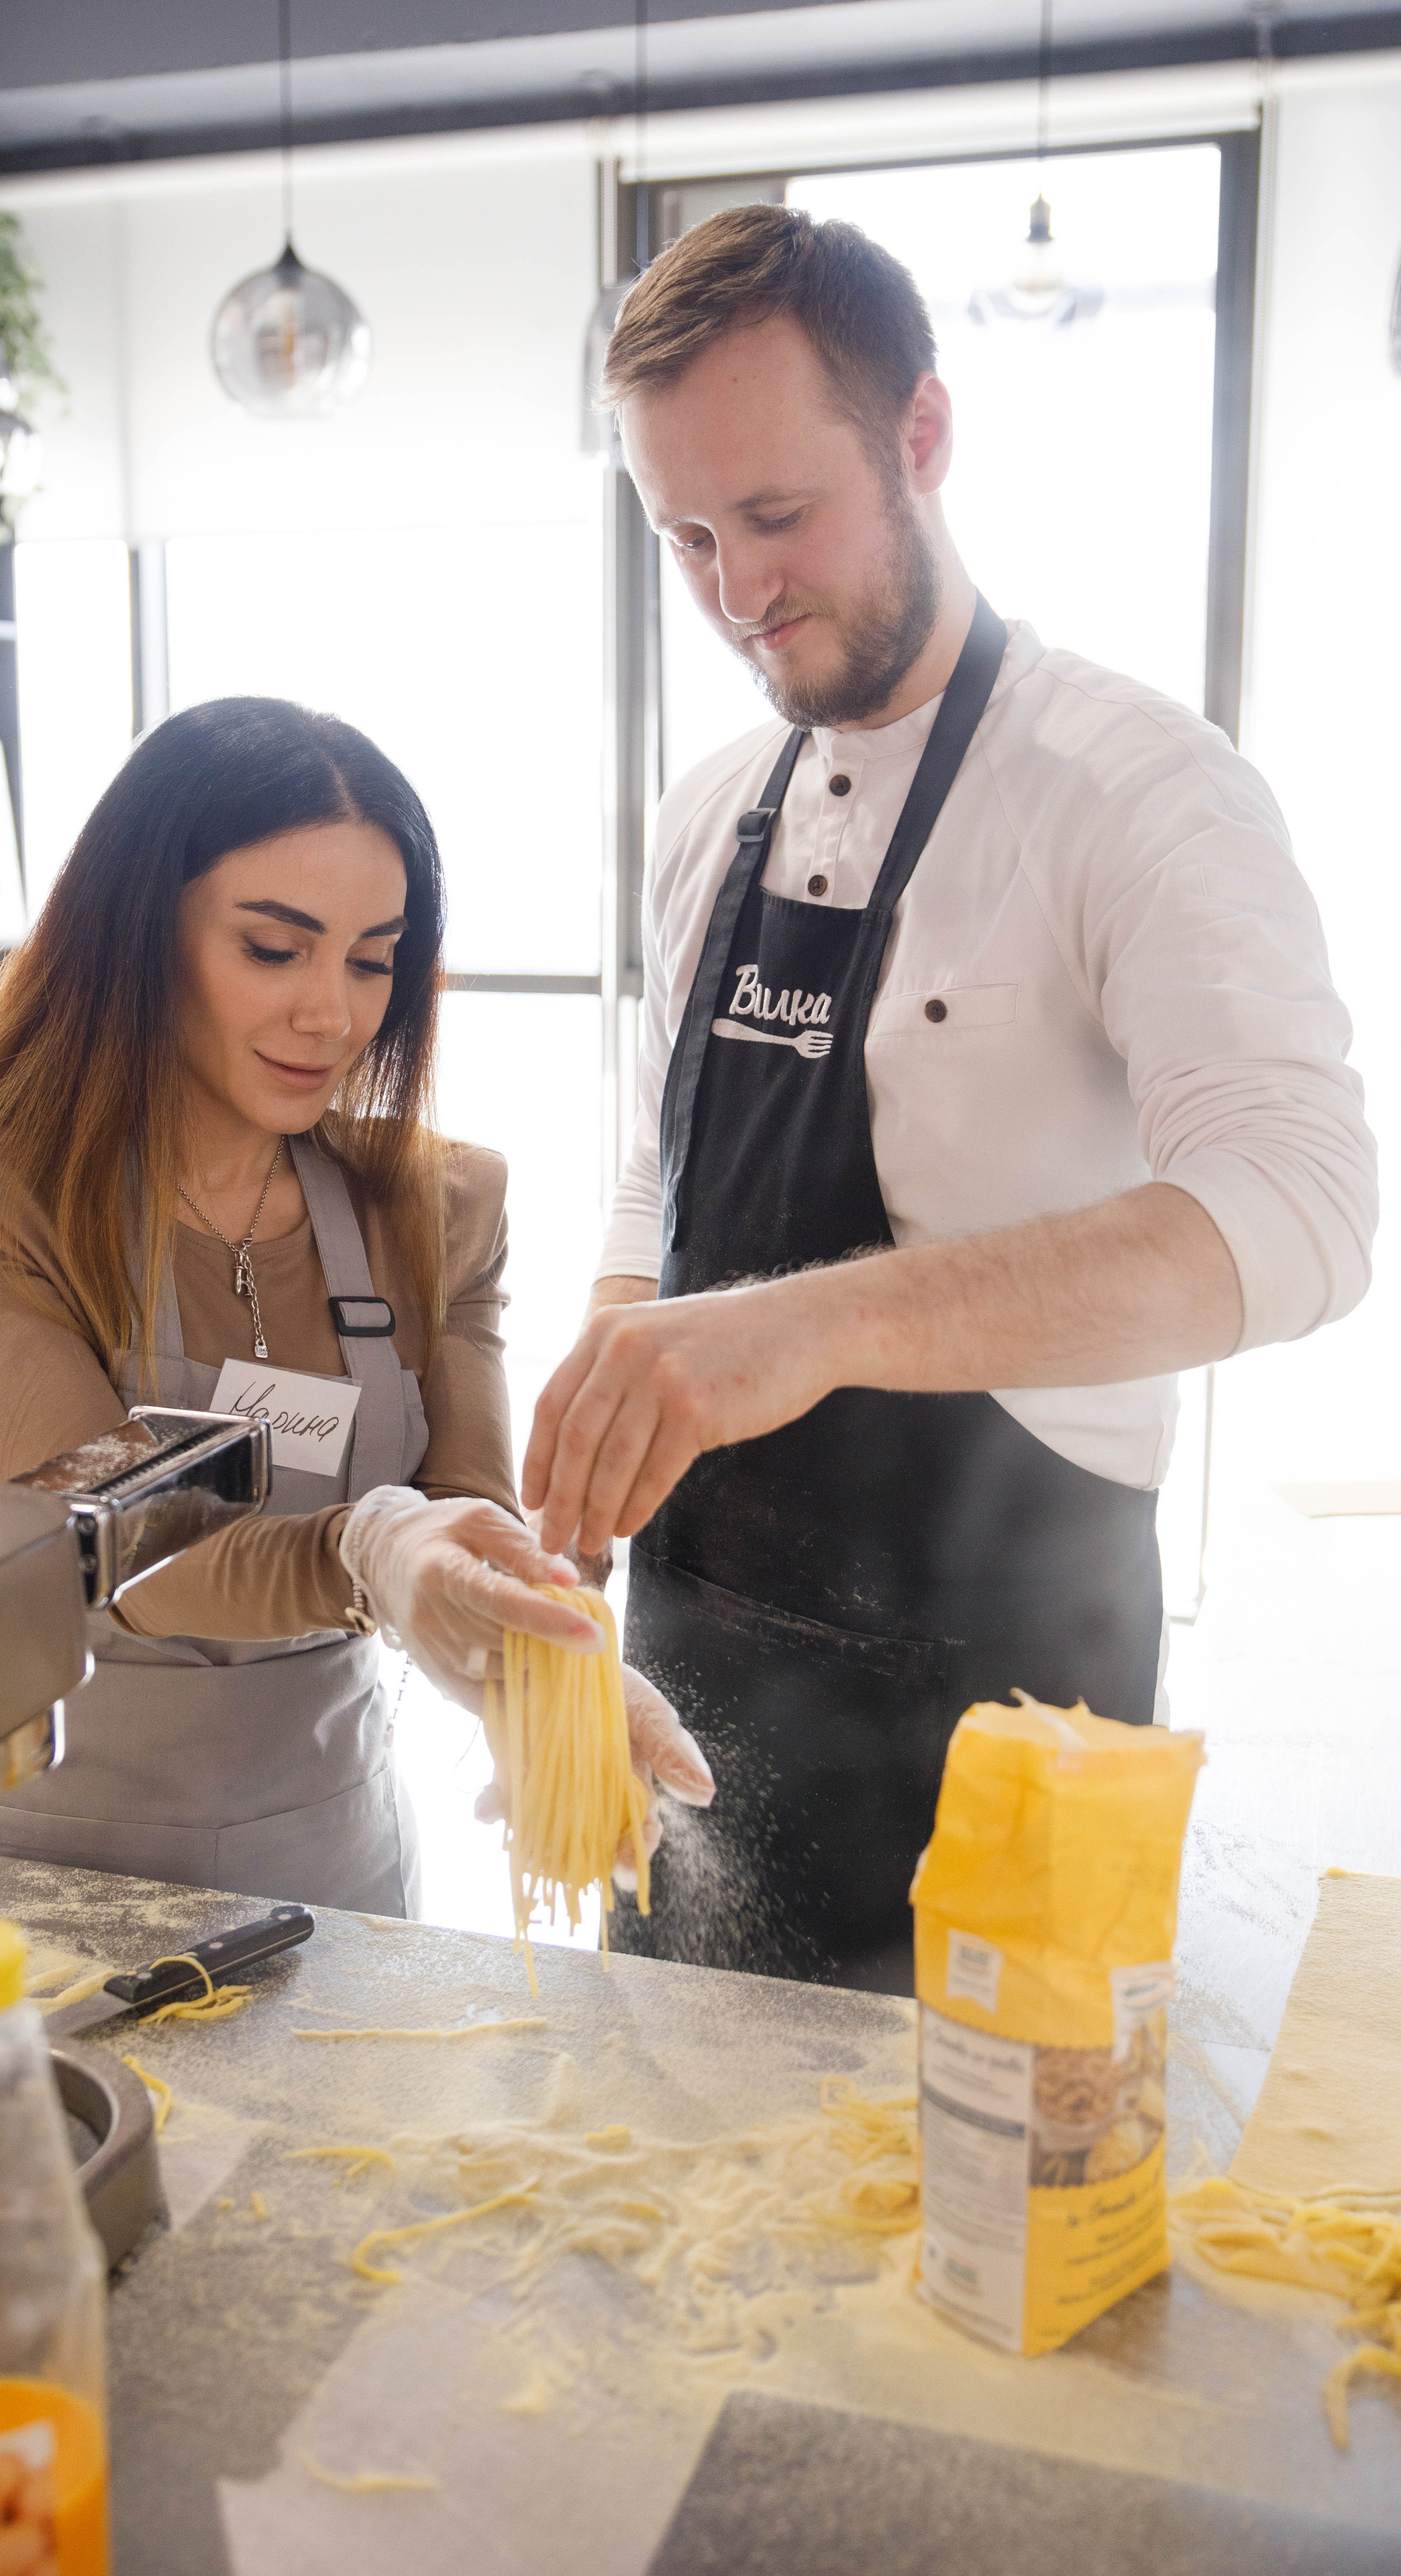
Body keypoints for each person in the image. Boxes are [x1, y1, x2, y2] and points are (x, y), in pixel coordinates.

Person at [523, 205, 1378, 1992]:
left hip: (1006, 1719)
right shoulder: (708, 813)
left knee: (990, 2243)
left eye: (777, 517)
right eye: (685, 538)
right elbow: (655, 1180)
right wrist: (617, 1384)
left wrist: (806, 1328)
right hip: (702, 1699)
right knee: (666, 2197)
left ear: (921, 437)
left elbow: (1305, 1213)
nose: (740, 592)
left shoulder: (1134, 791)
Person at [0, 696, 711, 1915]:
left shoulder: (437, 1204)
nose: (335, 1014)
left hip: (335, 1864)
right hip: (49, 1870)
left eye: (374, 960)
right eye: (275, 948)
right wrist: (373, 1548)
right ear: (138, 933)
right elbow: (127, 1545)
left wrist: (544, 1658)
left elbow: (468, 1510)